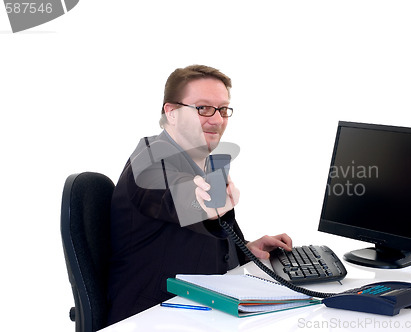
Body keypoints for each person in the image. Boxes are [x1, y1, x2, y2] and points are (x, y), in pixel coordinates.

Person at [106, 65, 293, 325]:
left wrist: (246, 249)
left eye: (223, 109)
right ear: (171, 113)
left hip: (193, 309)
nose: (217, 120)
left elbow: (199, 242)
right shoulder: (149, 161)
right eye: (203, 108)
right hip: (149, 317)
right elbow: (176, 197)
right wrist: (202, 203)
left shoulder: (198, 161)